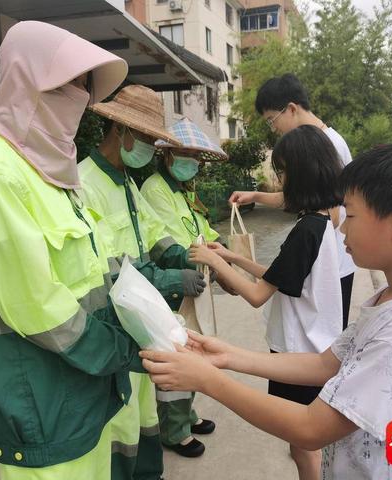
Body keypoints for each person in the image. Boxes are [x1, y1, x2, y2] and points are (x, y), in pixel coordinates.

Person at [141, 143, 392, 480]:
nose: (341, 228)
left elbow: (312, 428)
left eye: (351, 215)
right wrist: (225, 357)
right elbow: (324, 364)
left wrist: (208, 380)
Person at [0, 21, 146, 480]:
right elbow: (37, 306)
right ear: (23, 81)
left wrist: (144, 324)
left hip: (82, 390)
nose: (79, 96)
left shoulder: (51, 173)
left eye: (83, 86)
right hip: (40, 401)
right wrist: (121, 350)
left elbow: (95, 273)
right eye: (66, 83)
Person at [188, 125, 343, 480]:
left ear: (302, 173)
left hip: (300, 353)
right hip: (311, 347)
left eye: (284, 171)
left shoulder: (306, 230)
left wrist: (214, 263)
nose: (280, 179)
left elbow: (258, 295)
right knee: (300, 442)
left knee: (303, 444)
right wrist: (232, 256)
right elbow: (278, 276)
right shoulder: (320, 222)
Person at [77, 85, 211, 471]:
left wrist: (184, 255)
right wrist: (171, 279)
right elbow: (110, 267)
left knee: (143, 414)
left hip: (138, 319)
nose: (152, 149)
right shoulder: (87, 185)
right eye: (149, 140)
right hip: (114, 321)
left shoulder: (127, 183)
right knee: (122, 423)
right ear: (122, 132)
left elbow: (152, 233)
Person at [229, 74, 356, 329]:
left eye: (271, 120)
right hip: (324, 265)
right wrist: (255, 196)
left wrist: (298, 244)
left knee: (319, 340)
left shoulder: (322, 145)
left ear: (291, 109)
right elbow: (302, 198)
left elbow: (332, 215)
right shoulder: (318, 142)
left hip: (331, 269)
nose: (273, 128)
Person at [140, 117, 227, 457]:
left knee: (192, 350)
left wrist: (223, 255)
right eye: (186, 154)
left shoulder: (183, 191)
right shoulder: (155, 189)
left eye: (197, 156)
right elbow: (165, 243)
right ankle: (174, 430)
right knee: (175, 355)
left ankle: (186, 415)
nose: (193, 162)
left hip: (192, 281)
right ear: (168, 155)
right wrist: (198, 262)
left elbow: (202, 229)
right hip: (171, 285)